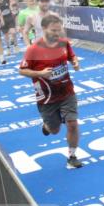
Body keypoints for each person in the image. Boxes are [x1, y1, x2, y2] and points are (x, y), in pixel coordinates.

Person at [18, 15, 83, 169]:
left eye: (59, 30)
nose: (57, 33)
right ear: (44, 29)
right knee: (54, 130)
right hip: (47, 98)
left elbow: (71, 56)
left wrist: (75, 62)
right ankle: (47, 126)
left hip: (67, 91)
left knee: (72, 124)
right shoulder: (33, 49)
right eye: (54, 30)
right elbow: (22, 71)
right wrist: (40, 74)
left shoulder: (63, 43)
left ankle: (72, 156)